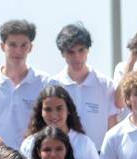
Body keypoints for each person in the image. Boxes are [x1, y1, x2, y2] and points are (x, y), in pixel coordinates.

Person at [50, 23, 119, 152]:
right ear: (62, 53)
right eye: (71, 52)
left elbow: (112, 126)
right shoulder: (52, 85)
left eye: (81, 50)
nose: (77, 57)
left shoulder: (106, 84)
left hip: (98, 157)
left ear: (88, 50)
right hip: (62, 158)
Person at [0, 19, 49, 149]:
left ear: (31, 47)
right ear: (2, 46)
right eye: (12, 45)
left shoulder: (45, 82)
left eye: (24, 45)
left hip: (33, 158)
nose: (18, 51)